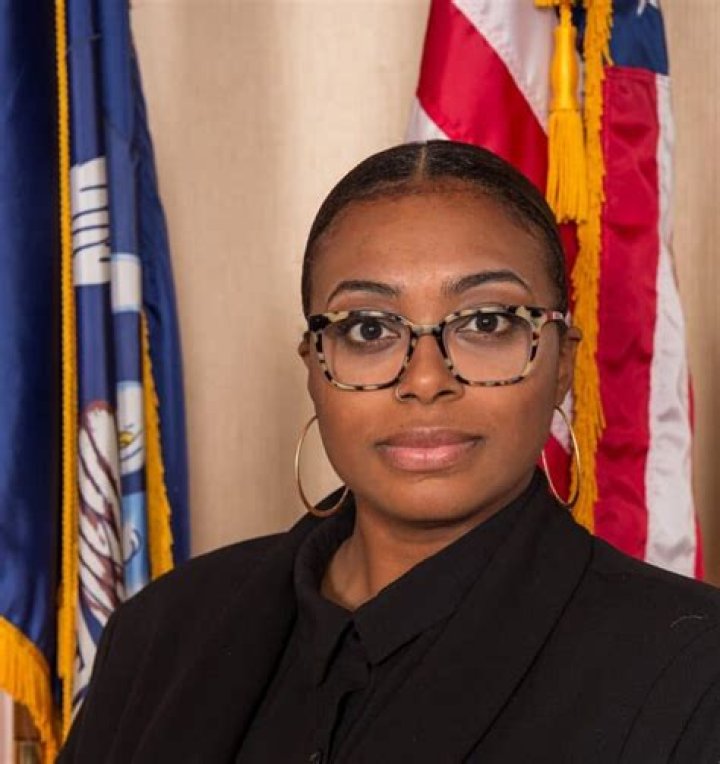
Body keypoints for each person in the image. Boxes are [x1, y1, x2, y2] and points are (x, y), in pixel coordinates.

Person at [59, 141, 720, 763]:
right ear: (313, 368)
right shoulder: (162, 632)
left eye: (486, 322)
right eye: (369, 328)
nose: (425, 380)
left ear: (562, 364)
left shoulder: (694, 670)